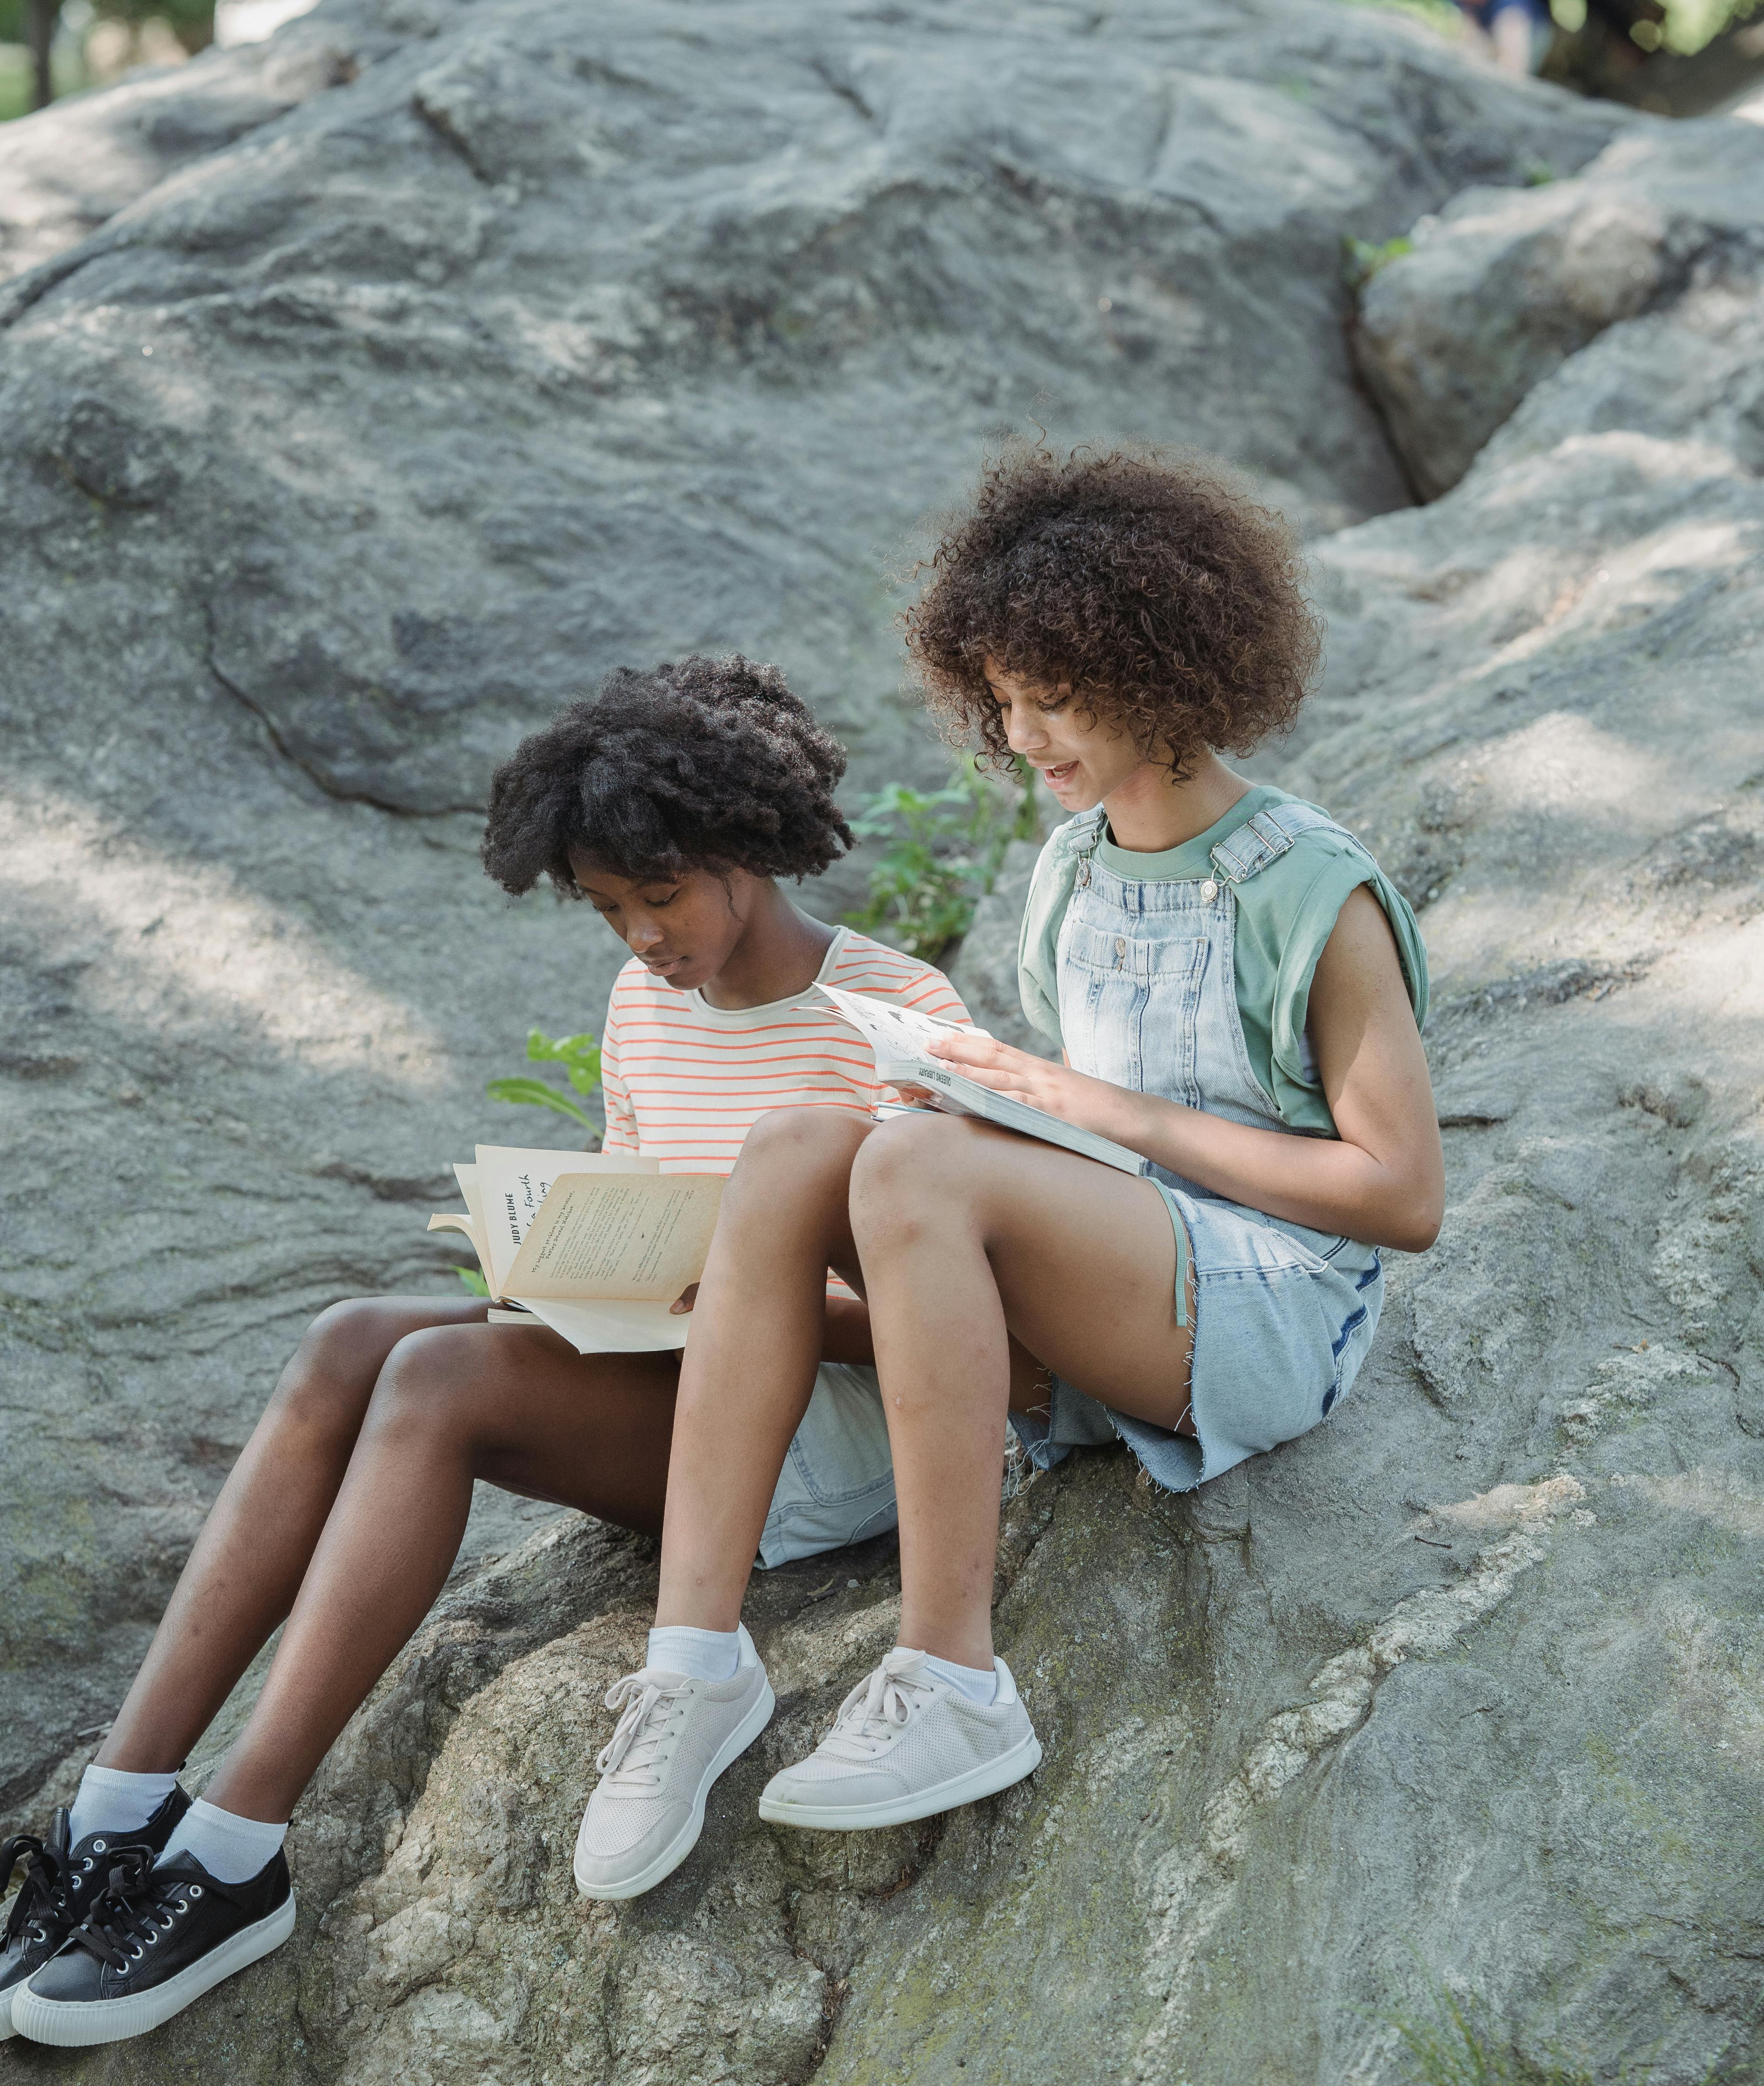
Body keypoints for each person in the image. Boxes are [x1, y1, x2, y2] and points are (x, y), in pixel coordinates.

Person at [0, 656, 971, 2046]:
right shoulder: (644, 1009)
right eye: (609, 911)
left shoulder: (892, 1015)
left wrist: (753, 1289)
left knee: (435, 1380)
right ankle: (116, 1811)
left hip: (825, 1432)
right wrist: (578, 1275)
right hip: (684, 1377)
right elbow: (648, 1213)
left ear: (744, 844)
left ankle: (238, 1847)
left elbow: (957, 1318)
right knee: (349, 1339)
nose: (640, 941)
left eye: (657, 896)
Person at [572, 443, 1442, 1888]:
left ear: (1164, 667)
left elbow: (1398, 1198)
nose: (1022, 732)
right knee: (800, 1151)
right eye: (1002, 699)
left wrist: (1074, 1105)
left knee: (916, 1171)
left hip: (1271, 1308)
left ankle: (954, 1676)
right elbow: (1071, 1147)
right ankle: (693, 1664)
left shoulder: (1310, 888)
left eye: (1056, 694)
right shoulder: (1071, 869)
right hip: (1126, 1282)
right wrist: (1006, 1107)